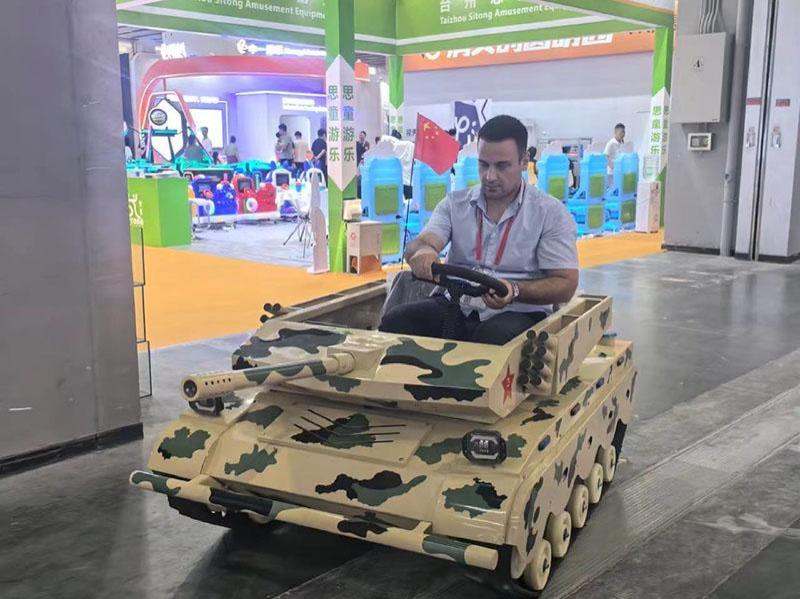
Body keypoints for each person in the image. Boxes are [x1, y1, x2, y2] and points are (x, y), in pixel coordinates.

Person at [379, 115, 579, 345]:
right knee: (397, 321)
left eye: (502, 166)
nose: (490, 176)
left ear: (524, 161)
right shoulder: (455, 204)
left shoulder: (550, 213)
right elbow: (423, 243)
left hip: (518, 310)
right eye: (483, 165)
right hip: (457, 302)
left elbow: (565, 283)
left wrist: (514, 290)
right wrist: (423, 252)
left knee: (491, 338)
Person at [391, 129, 414, 200]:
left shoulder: (391, 147)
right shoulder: (410, 145)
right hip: (408, 181)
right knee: (408, 203)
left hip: (395, 182)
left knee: (397, 204)